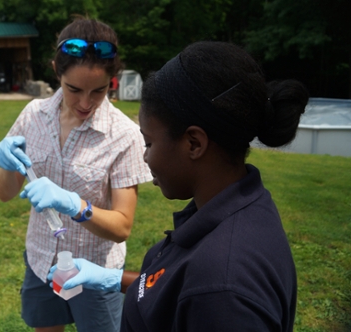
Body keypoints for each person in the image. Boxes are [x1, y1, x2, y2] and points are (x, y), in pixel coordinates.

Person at [48, 41, 309, 331]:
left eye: (149, 143)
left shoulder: (223, 289)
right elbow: (177, 289)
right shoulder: (236, 206)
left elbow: (204, 292)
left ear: (194, 143)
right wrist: (115, 279)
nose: (145, 156)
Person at [0, 18, 152, 332]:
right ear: (56, 71)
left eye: (99, 91)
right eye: (74, 89)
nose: (85, 103)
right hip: (42, 261)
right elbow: (4, 192)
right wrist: (8, 165)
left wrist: (74, 205)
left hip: (95, 270)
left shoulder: (124, 135)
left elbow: (122, 226)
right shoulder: (33, 116)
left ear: (113, 80)